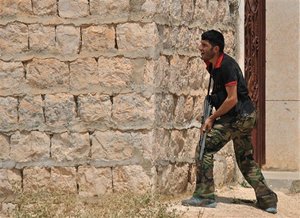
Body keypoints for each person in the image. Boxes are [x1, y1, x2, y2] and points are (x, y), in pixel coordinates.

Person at [181, 30, 278, 214]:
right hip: (246, 116)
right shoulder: (215, 64)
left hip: (238, 116)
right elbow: (225, 91)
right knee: (245, 160)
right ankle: (267, 200)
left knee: (205, 149)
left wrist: (212, 117)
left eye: (204, 46)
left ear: (216, 49)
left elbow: (232, 99)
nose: (200, 48)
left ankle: (204, 196)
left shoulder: (226, 66)